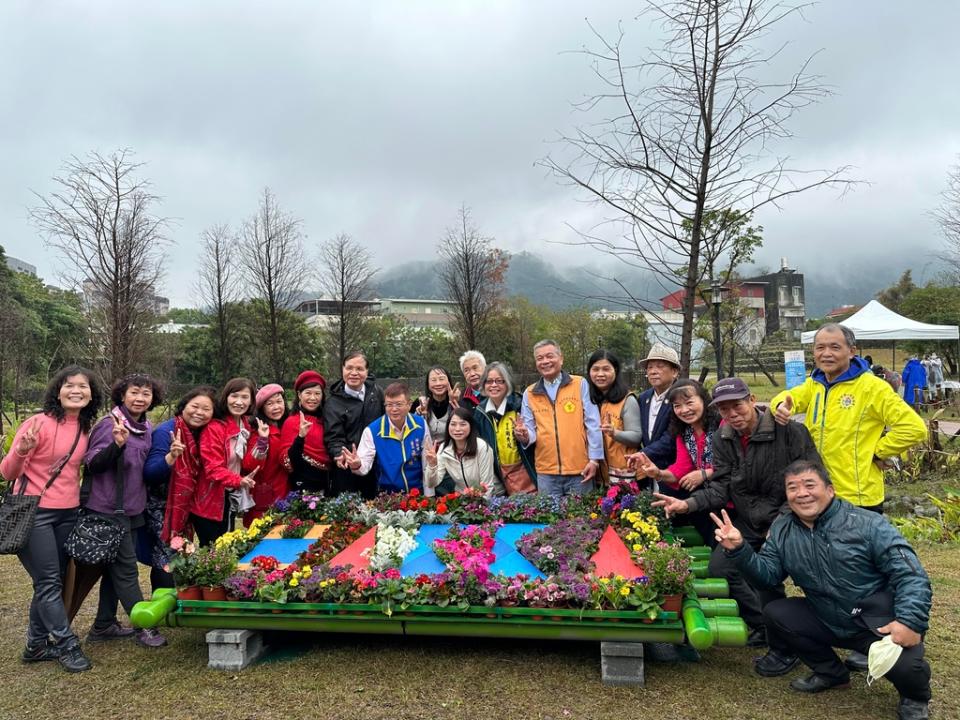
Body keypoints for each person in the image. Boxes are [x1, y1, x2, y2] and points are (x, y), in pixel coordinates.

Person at [714, 460, 932, 720]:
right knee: (777, 612)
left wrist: (909, 621)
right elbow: (768, 577)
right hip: (826, 616)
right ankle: (832, 674)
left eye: (809, 485)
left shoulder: (868, 524)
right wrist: (740, 550)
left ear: (830, 490)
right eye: (792, 488)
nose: (802, 493)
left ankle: (915, 698)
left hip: (875, 622)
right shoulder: (783, 529)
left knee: (909, 667)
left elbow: (911, 574)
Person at [653, 377, 821, 648]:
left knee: (769, 576)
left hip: (785, 518)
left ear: (752, 400)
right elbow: (721, 487)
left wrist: (781, 522)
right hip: (748, 520)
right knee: (721, 567)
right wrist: (687, 504)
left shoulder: (789, 432)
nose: (732, 414)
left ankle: (789, 635)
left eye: (738, 406)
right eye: (724, 409)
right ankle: (768, 626)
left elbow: (810, 483)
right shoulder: (724, 437)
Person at [1, 366, 103, 672]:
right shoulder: (37, 423)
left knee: (51, 581)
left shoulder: (86, 427)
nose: (76, 390)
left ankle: (34, 645)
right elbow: (7, 472)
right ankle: (66, 644)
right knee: (48, 581)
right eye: (69, 385)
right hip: (36, 512)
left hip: (68, 513)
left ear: (91, 393)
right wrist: (21, 450)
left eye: (83, 386)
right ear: (57, 391)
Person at [772, 324, 926, 513]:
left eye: (835, 347)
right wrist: (781, 406)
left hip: (857, 496)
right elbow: (789, 398)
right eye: (820, 347)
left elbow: (914, 428)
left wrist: (877, 452)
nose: (826, 353)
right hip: (821, 492)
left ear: (852, 351)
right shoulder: (816, 384)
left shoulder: (872, 387)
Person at [82, 374, 167, 648]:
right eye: (135, 392)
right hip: (108, 509)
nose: (140, 398)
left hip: (132, 508)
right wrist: (117, 445)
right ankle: (145, 626)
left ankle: (104, 624)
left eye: (146, 393)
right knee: (127, 569)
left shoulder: (145, 427)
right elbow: (92, 464)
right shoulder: (110, 425)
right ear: (122, 395)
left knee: (113, 570)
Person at [141, 385, 218, 591]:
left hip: (184, 505)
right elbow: (150, 474)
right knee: (166, 555)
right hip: (163, 507)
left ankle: (177, 598)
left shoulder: (202, 434)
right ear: (184, 406)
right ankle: (163, 601)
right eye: (195, 406)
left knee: (179, 553)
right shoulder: (167, 431)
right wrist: (171, 457)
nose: (199, 412)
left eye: (206, 409)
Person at [633, 379, 720, 549]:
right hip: (706, 499)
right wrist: (658, 473)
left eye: (689, 403)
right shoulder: (684, 432)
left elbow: (736, 464)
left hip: (728, 497)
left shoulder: (720, 425)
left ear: (703, 400)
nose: (684, 410)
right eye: (677, 406)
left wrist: (705, 473)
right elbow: (681, 469)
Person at [515, 339, 603, 496]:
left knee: (582, 519)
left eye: (550, 356)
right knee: (549, 518)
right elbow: (530, 430)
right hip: (546, 474)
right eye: (540, 358)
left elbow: (593, 423)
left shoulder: (579, 384)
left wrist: (594, 460)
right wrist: (524, 435)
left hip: (580, 470)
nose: (545, 361)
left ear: (561, 359)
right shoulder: (530, 393)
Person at [194, 378, 259, 546]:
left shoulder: (246, 425)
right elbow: (213, 468)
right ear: (226, 397)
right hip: (210, 500)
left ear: (251, 400)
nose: (239, 402)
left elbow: (245, 461)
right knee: (213, 551)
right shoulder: (214, 428)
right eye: (234, 396)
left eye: (245, 397)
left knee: (227, 546)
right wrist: (239, 480)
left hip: (230, 495)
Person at [339, 382, 433, 494]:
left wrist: (429, 496)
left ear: (409, 404)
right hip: (388, 497)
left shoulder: (420, 425)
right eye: (389, 405)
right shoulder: (373, 430)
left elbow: (427, 464)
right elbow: (364, 465)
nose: (394, 409)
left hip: (417, 493)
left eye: (398, 404)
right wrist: (357, 464)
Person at [323, 351, 385, 499]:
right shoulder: (333, 403)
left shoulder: (376, 393)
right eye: (349, 368)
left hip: (376, 465)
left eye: (359, 369)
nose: (354, 373)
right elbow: (333, 437)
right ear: (342, 369)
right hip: (347, 468)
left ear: (367, 371)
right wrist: (340, 454)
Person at [473, 362, 537, 495]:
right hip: (498, 477)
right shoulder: (480, 413)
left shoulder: (520, 406)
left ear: (507, 383)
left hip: (525, 473)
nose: (494, 385)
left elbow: (534, 439)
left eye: (499, 381)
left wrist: (525, 437)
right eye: (489, 381)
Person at [586, 349, 641, 484]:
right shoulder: (588, 400)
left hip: (624, 474)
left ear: (615, 370)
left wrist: (614, 433)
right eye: (595, 369)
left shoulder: (627, 400)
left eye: (606, 369)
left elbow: (636, 437)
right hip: (597, 474)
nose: (600, 374)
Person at [424, 407, 503, 497]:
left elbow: (487, 487)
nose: (457, 429)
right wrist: (432, 465)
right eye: (453, 424)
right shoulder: (444, 449)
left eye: (463, 424)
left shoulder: (481, 447)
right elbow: (431, 484)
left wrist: (477, 509)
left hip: (493, 497)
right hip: (465, 498)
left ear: (471, 426)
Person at [242, 383, 290, 525]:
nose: (276, 407)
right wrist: (263, 440)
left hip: (286, 493)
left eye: (279, 402)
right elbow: (249, 464)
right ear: (262, 408)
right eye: (270, 404)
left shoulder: (286, 427)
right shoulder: (258, 431)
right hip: (265, 497)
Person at [280, 370, 331, 494]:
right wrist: (301, 437)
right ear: (299, 394)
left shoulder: (328, 420)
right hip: (302, 484)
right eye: (308, 393)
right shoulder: (291, 422)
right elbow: (290, 459)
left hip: (328, 482)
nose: (313, 398)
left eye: (317, 393)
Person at [636, 343, 681, 469]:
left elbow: (671, 437)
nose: (653, 371)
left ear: (674, 372)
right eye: (650, 367)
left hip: (672, 468)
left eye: (660, 366)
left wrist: (643, 454)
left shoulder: (680, 398)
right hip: (648, 466)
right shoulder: (644, 398)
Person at [415, 366, 457, 445]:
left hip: (449, 452)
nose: (438, 383)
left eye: (441, 379)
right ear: (428, 384)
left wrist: (457, 407)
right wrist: (420, 416)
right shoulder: (420, 403)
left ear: (449, 381)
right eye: (433, 380)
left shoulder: (456, 403)